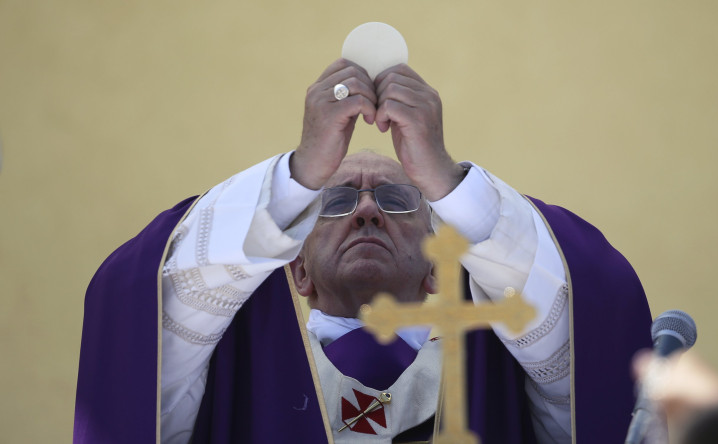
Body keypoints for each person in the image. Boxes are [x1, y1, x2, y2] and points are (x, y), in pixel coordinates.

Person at [74, 59, 653, 444]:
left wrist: (447, 183)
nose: (367, 210)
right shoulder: (223, 370)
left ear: (436, 270)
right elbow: (151, 313)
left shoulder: (505, 369)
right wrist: (298, 176)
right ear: (296, 269)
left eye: (400, 199)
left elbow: (586, 334)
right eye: (336, 200)